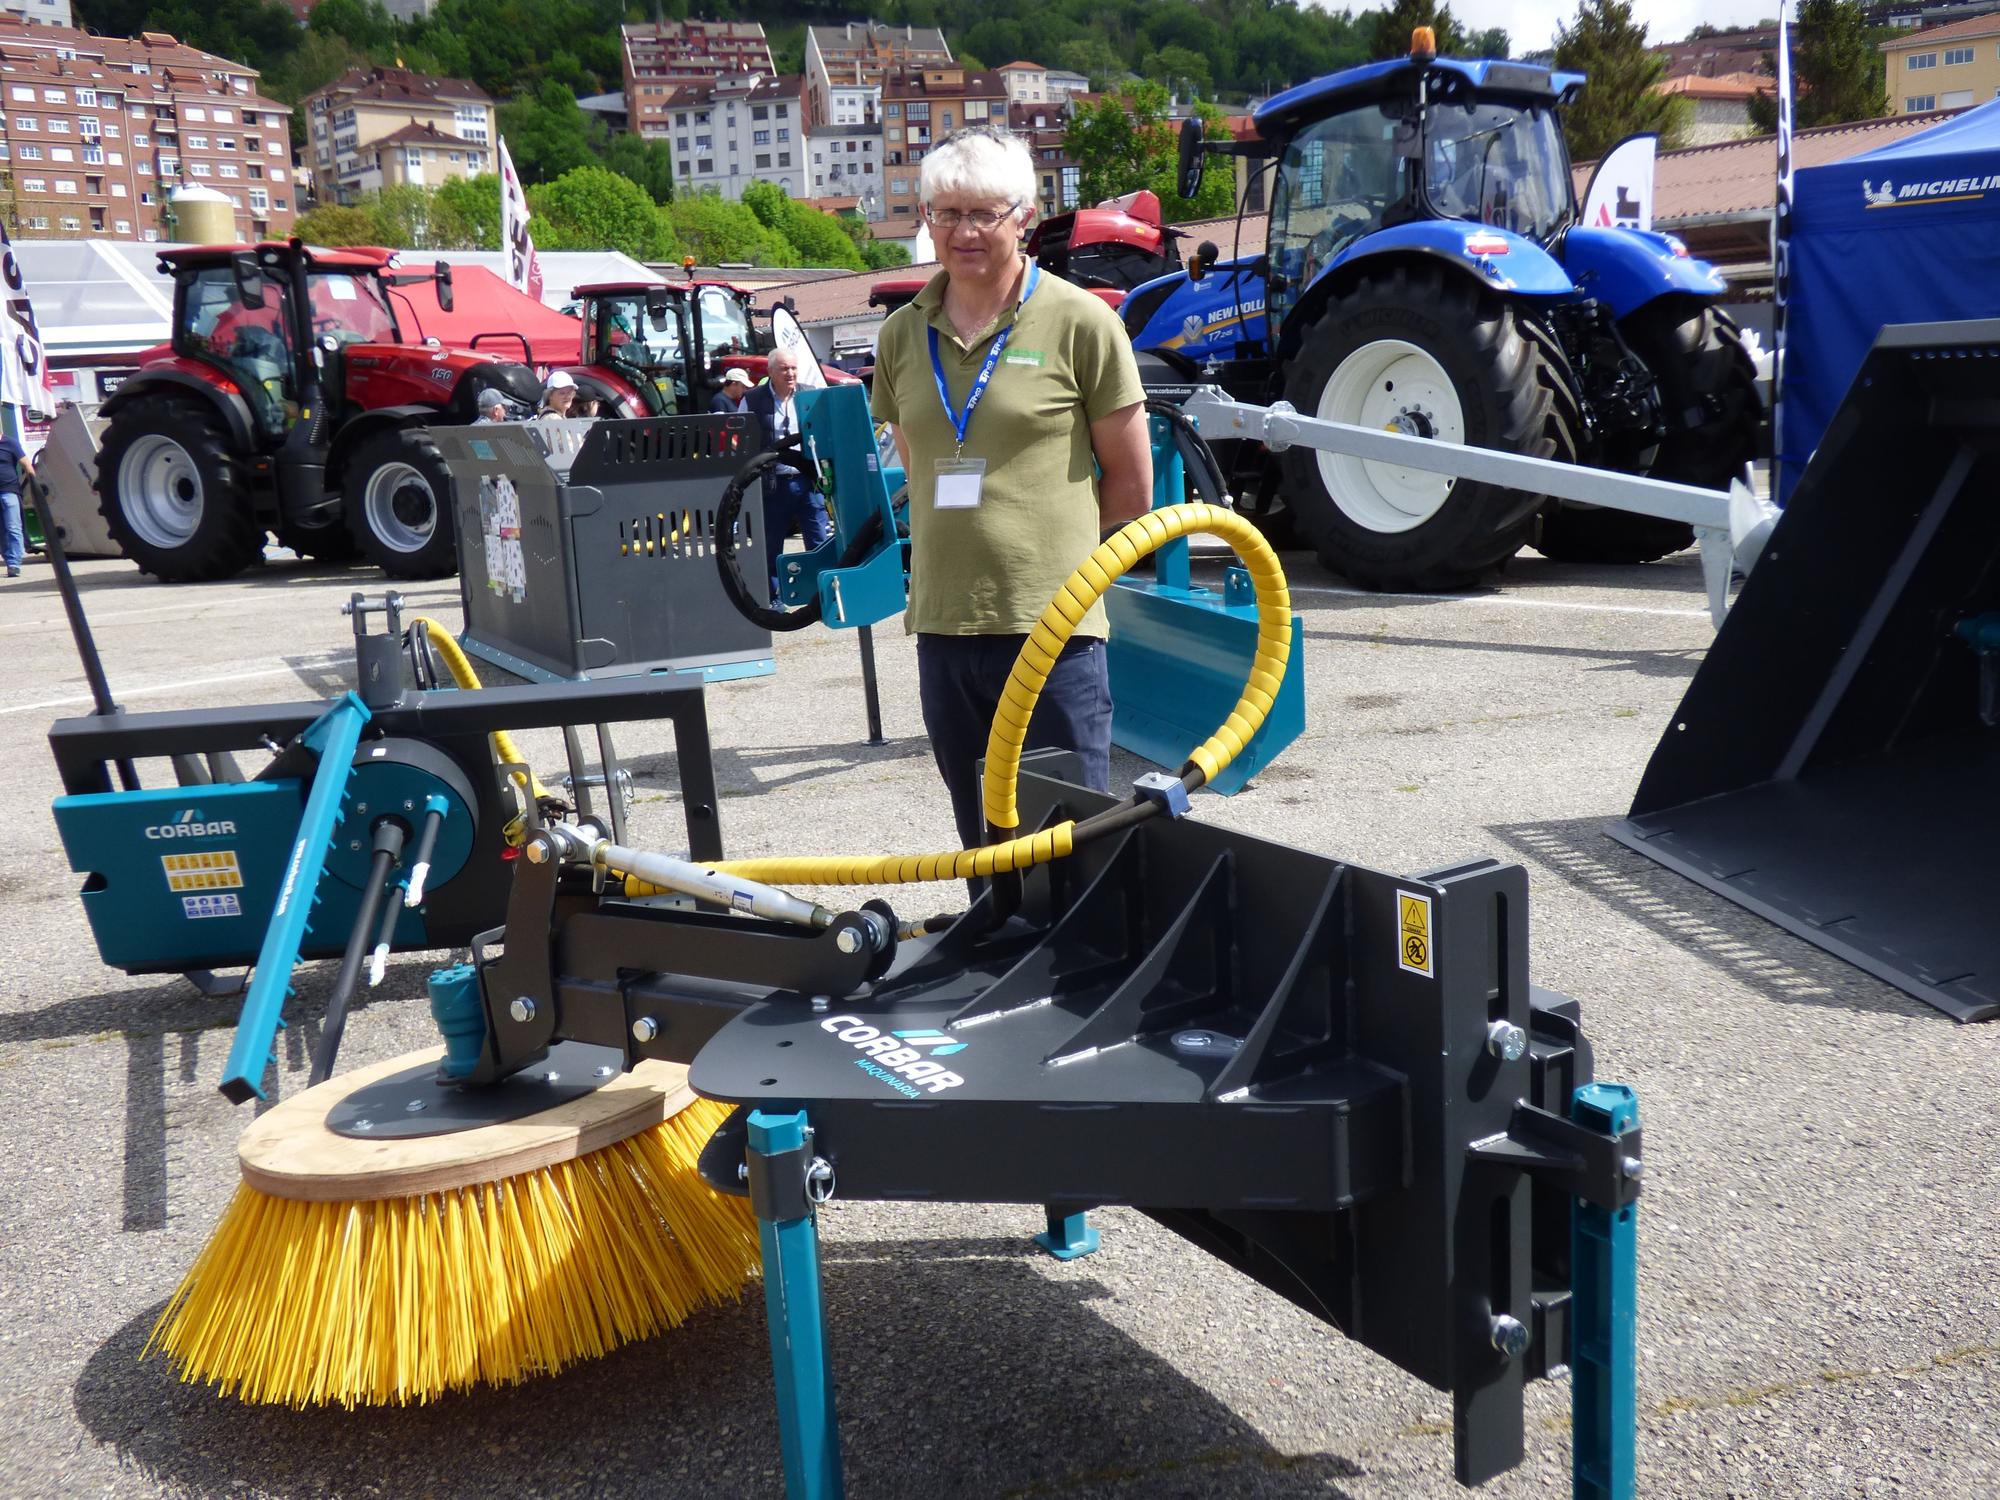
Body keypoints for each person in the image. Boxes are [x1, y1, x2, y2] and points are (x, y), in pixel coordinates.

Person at [870, 124, 1151, 854]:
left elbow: (1130, 487)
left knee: (1069, 840)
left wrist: (1071, 588)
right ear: (926, 219)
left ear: (1023, 218)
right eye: (947, 212)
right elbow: (919, 458)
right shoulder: (902, 336)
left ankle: (1081, 970)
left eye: (985, 213)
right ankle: (997, 954)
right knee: (983, 842)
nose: (965, 231)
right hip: (944, 628)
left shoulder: (1082, 322)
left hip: (1052, 633)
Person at [742, 348, 832, 600]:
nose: (790, 373)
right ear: (771, 372)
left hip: (808, 482)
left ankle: (822, 596)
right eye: (784, 368)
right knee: (771, 546)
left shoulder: (809, 395)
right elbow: (741, 441)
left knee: (819, 540)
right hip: (772, 484)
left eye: (793, 368)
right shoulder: (752, 400)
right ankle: (773, 598)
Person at [0, 425, 33, 579]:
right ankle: (8, 559)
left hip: (9, 492)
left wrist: (33, 484)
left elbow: (27, 465)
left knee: (13, 527)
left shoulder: (10, 443)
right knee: (1, 531)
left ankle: (14, 563)